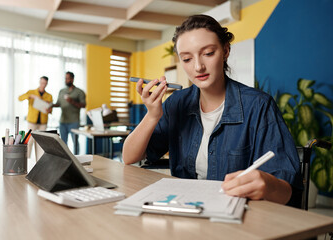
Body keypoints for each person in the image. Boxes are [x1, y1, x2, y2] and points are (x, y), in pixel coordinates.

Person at [122, 15, 303, 207]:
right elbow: (129, 157)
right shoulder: (177, 103)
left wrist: (268, 186)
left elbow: (288, 192)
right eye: (187, 59)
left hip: (238, 215)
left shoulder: (258, 105)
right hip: (186, 208)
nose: (198, 66)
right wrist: (152, 115)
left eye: (208, 53)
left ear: (225, 50)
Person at [18, 76, 53, 160]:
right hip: (32, 121)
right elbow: (20, 98)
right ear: (39, 82)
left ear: (47, 84)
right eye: (41, 83)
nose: (43, 85)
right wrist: (31, 96)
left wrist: (48, 109)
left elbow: (50, 110)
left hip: (43, 123)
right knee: (29, 141)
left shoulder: (49, 96)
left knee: (41, 143)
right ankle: (27, 160)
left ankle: (40, 161)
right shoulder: (31, 92)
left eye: (44, 83)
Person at [50, 71, 86, 148]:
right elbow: (58, 104)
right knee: (63, 143)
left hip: (74, 122)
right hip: (63, 121)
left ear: (72, 79)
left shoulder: (79, 92)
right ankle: (65, 159)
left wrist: (72, 101)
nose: (66, 80)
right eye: (65, 78)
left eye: (68, 79)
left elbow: (83, 105)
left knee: (75, 142)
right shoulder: (62, 91)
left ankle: (76, 158)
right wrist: (50, 105)